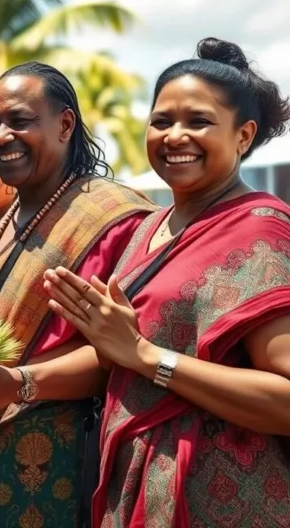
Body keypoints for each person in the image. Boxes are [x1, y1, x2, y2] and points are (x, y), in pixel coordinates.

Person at [45, 38, 290, 527]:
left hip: (226, 502)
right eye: (161, 121)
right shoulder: (148, 229)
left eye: (198, 121)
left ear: (243, 135)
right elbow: (116, 351)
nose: (175, 136)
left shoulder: (261, 226)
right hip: (136, 487)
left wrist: (146, 356)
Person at [0, 62, 156, 528]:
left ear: (65, 124)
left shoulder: (116, 220)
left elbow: (127, 353)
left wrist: (19, 383)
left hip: (65, 466)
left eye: (19, 121)